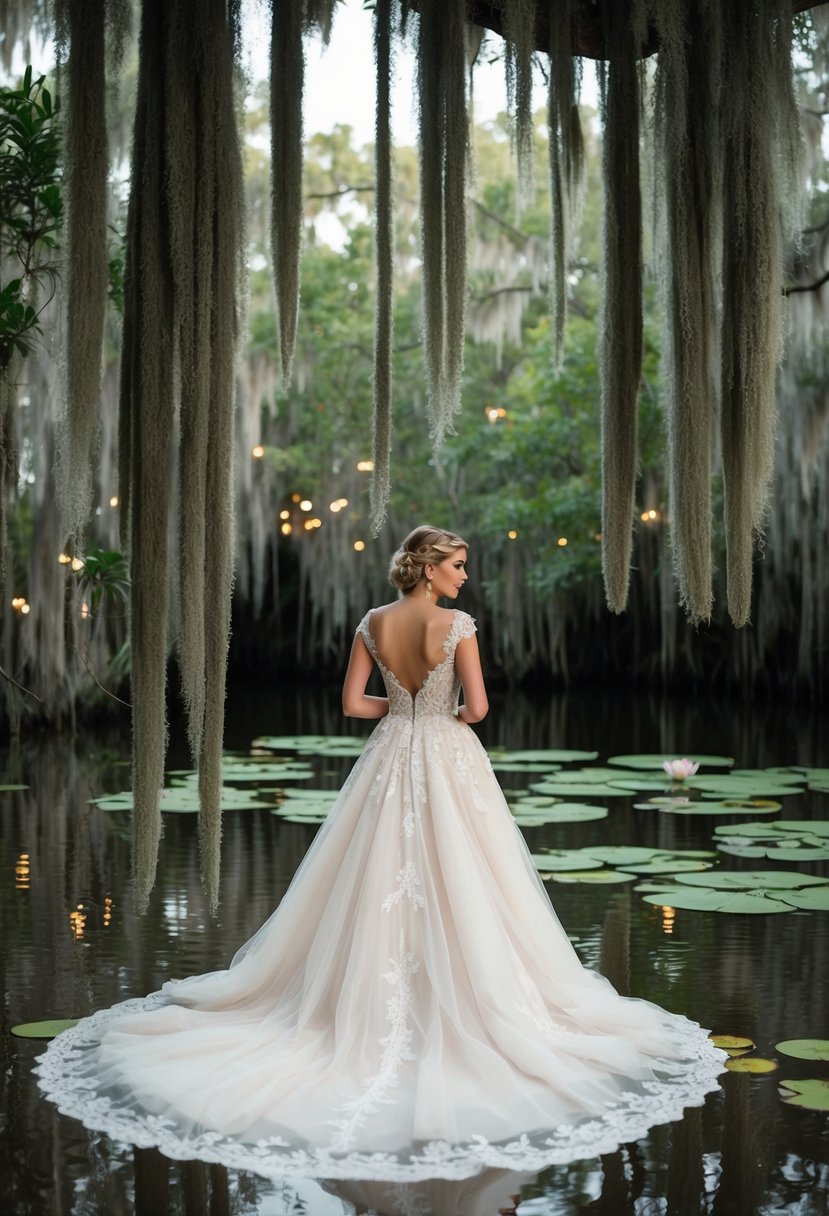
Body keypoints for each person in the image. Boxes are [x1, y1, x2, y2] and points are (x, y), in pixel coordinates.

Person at [35, 525, 725, 1184]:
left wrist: (401, 714)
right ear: (427, 567)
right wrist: (444, 718)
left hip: (390, 754)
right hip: (449, 757)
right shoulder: (458, 628)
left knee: (371, 873)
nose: (463, 575)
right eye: (454, 564)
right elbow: (479, 709)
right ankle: (461, 995)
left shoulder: (370, 621)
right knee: (468, 876)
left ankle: (354, 1003)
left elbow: (350, 703)